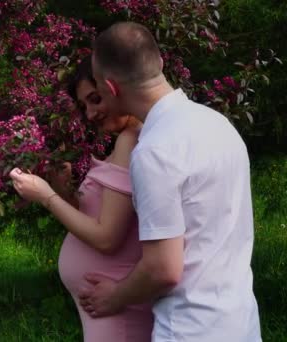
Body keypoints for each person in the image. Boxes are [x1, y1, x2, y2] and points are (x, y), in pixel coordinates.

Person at [77, 22, 261, 342]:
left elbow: (163, 269)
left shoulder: (155, 151)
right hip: (242, 323)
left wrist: (116, 295)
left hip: (190, 330)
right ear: (159, 63)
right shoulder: (218, 125)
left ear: (111, 87)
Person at [9, 55, 153, 341]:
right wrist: (64, 192)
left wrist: (47, 196)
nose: (89, 114)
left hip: (119, 313)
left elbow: (107, 238)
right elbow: (99, 222)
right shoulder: (123, 141)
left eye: (95, 99)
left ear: (115, 89)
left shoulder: (130, 139)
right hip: (107, 310)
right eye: (84, 106)